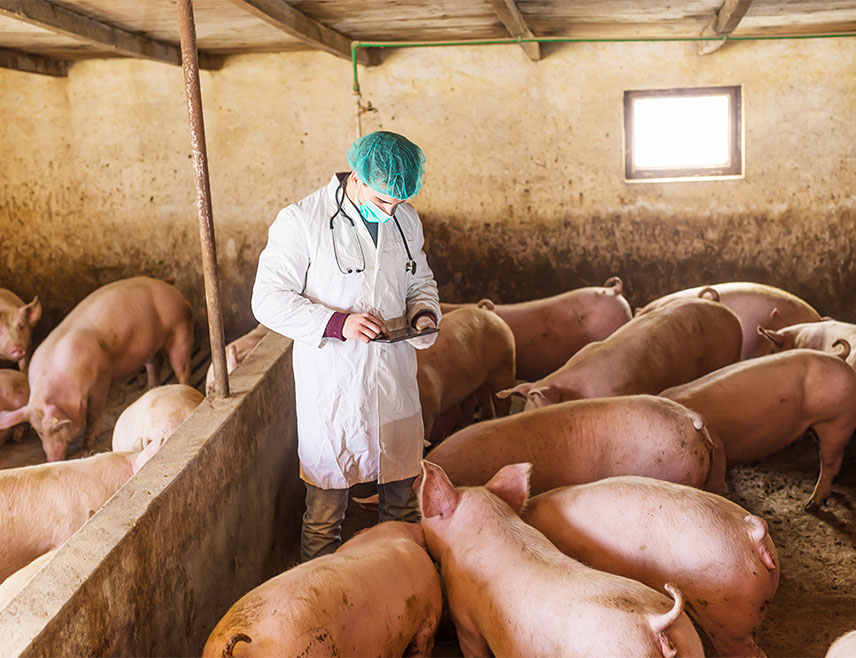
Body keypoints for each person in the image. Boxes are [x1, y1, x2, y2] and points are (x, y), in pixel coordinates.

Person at [251, 131, 440, 562]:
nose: (391, 211)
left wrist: (424, 313)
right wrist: (338, 323)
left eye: (399, 201)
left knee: (402, 504)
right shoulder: (302, 220)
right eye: (384, 200)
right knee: (324, 513)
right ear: (356, 177)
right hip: (333, 385)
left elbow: (419, 280)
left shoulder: (405, 219)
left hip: (393, 380)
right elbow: (267, 300)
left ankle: (401, 585)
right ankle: (318, 598)